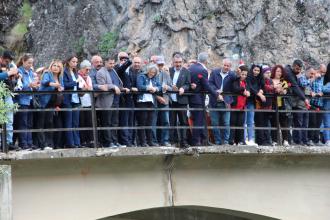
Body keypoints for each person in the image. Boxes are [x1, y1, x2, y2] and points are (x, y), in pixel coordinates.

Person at [188, 52, 220, 146]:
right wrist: (216, 94)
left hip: (191, 98)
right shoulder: (203, 70)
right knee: (198, 120)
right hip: (198, 99)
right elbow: (206, 86)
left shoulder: (191, 68)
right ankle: (196, 142)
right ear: (206, 60)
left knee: (200, 119)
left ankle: (203, 140)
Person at [37, 60, 64, 149]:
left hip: (53, 103)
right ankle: (42, 144)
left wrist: (60, 88)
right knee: (41, 123)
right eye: (54, 65)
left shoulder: (60, 77)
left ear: (60, 69)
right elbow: (44, 82)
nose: (56, 67)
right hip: (44, 102)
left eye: (58, 66)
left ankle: (49, 143)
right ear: (51, 66)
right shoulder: (47, 73)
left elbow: (62, 87)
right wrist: (54, 84)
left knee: (49, 123)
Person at [209, 59, 237, 145]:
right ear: (222, 64)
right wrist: (216, 92)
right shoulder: (214, 72)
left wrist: (238, 75)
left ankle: (225, 141)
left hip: (226, 101)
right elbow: (210, 84)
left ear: (230, 67)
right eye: (225, 65)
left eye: (228, 66)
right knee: (215, 123)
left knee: (226, 123)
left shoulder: (232, 74)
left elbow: (235, 83)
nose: (226, 67)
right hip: (214, 101)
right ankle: (217, 141)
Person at [95, 56, 122, 148]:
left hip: (115, 100)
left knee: (114, 122)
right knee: (106, 122)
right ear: (105, 63)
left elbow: (118, 82)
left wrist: (122, 88)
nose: (112, 65)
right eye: (110, 63)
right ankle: (108, 142)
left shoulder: (113, 70)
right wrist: (113, 86)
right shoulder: (100, 72)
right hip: (106, 101)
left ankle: (114, 141)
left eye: (113, 63)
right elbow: (103, 86)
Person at [16, 53, 38, 150]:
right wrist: (30, 85)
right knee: (23, 122)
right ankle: (23, 142)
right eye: (29, 63)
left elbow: (33, 84)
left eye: (32, 63)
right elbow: (19, 87)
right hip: (22, 100)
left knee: (30, 123)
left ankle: (29, 142)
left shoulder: (30, 72)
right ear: (23, 61)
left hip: (30, 99)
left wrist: (36, 85)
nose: (30, 65)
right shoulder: (19, 72)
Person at [285, 60, 310, 145]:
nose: (298, 71)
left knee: (290, 121)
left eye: (299, 69)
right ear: (293, 66)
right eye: (297, 69)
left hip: (292, 101)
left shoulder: (291, 72)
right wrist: (304, 98)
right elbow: (295, 87)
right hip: (287, 101)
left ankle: (289, 140)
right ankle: (288, 140)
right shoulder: (289, 72)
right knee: (287, 120)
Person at [136, 64, 161, 147]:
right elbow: (139, 86)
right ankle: (143, 142)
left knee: (150, 123)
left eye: (154, 73)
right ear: (148, 71)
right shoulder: (141, 76)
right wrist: (149, 88)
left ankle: (150, 141)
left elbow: (160, 86)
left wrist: (156, 89)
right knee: (142, 122)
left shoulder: (155, 78)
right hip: (142, 101)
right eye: (151, 72)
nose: (152, 74)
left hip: (152, 102)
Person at [169, 54, 191, 148]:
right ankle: (173, 142)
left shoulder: (186, 72)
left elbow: (188, 84)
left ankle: (183, 142)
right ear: (173, 62)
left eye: (179, 62)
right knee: (172, 122)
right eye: (176, 62)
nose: (178, 64)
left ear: (182, 62)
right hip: (171, 101)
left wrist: (183, 88)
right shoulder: (169, 71)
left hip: (182, 100)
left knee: (183, 122)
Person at [0, 51, 19, 150]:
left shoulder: (8, 66)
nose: (8, 63)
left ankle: (8, 142)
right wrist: (9, 73)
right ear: (2, 58)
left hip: (7, 94)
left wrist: (14, 78)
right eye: (6, 61)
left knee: (9, 120)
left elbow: (12, 83)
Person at [63, 55, 81, 148]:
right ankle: (70, 143)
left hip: (76, 99)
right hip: (68, 100)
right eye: (73, 61)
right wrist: (75, 82)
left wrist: (80, 86)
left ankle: (77, 142)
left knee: (76, 122)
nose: (75, 63)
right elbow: (64, 84)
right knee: (69, 122)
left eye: (76, 62)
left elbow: (77, 85)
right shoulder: (64, 72)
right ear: (68, 62)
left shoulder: (75, 72)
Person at [229, 65, 250, 145]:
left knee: (241, 124)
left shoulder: (246, 82)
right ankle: (232, 140)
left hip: (242, 106)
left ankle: (240, 140)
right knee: (233, 123)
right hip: (235, 105)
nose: (244, 76)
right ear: (239, 73)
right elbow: (235, 89)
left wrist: (247, 92)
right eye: (242, 74)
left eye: (245, 75)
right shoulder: (235, 81)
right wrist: (243, 90)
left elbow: (248, 90)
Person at [271, 65, 290, 146]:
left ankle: (285, 140)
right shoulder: (270, 80)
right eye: (278, 71)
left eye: (281, 71)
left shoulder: (283, 81)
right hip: (273, 103)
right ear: (274, 71)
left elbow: (285, 91)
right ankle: (274, 140)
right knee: (274, 122)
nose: (279, 73)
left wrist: (281, 90)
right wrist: (275, 88)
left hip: (281, 103)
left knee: (284, 122)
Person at [255, 67, 274, 146]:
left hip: (268, 105)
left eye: (269, 72)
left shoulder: (270, 81)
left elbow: (272, 90)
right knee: (260, 124)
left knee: (266, 124)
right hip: (260, 106)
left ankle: (267, 140)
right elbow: (260, 89)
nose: (269, 74)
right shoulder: (260, 81)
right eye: (267, 72)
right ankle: (261, 141)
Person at [155, 56, 172, 146]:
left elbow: (171, 86)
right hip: (155, 100)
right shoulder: (151, 73)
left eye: (162, 64)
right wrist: (157, 97)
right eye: (159, 64)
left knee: (166, 121)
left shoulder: (166, 74)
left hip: (165, 100)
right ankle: (155, 141)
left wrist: (167, 87)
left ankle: (165, 140)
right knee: (155, 121)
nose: (160, 66)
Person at [246, 64, 264, 146]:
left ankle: (251, 139)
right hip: (246, 100)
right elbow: (250, 87)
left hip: (252, 101)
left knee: (251, 121)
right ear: (252, 70)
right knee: (244, 121)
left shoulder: (260, 79)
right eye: (255, 70)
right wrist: (259, 94)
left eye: (258, 71)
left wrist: (261, 91)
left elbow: (262, 86)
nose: (256, 72)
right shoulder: (248, 77)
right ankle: (245, 139)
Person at [78, 60, 94, 147]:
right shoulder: (78, 77)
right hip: (81, 102)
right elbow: (81, 89)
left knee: (90, 122)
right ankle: (83, 141)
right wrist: (87, 88)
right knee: (82, 122)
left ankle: (91, 140)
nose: (88, 71)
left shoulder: (89, 77)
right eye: (86, 69)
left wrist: (87, 88)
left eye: (89, 70)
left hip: (89, 102)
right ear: (82, 69)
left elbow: (89, 88)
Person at [308, 67, 324, 145]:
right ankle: (310, 139)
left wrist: (322, 92)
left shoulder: (322, 80)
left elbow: (324, 89)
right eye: (321, 71)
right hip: (312, 103)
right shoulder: (312, 78)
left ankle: (316, 140)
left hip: (320, 104)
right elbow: (307, 87)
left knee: (318, 123)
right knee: (312, 122)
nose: (322, 73)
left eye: (324, 72)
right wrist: (314, 77)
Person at [322, 63, 330, 146]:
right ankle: (327, 140)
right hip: (327, 104)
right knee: (327, 123)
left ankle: (327, 139)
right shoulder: (327, 82)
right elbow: (322, 89)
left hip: (326, 104)